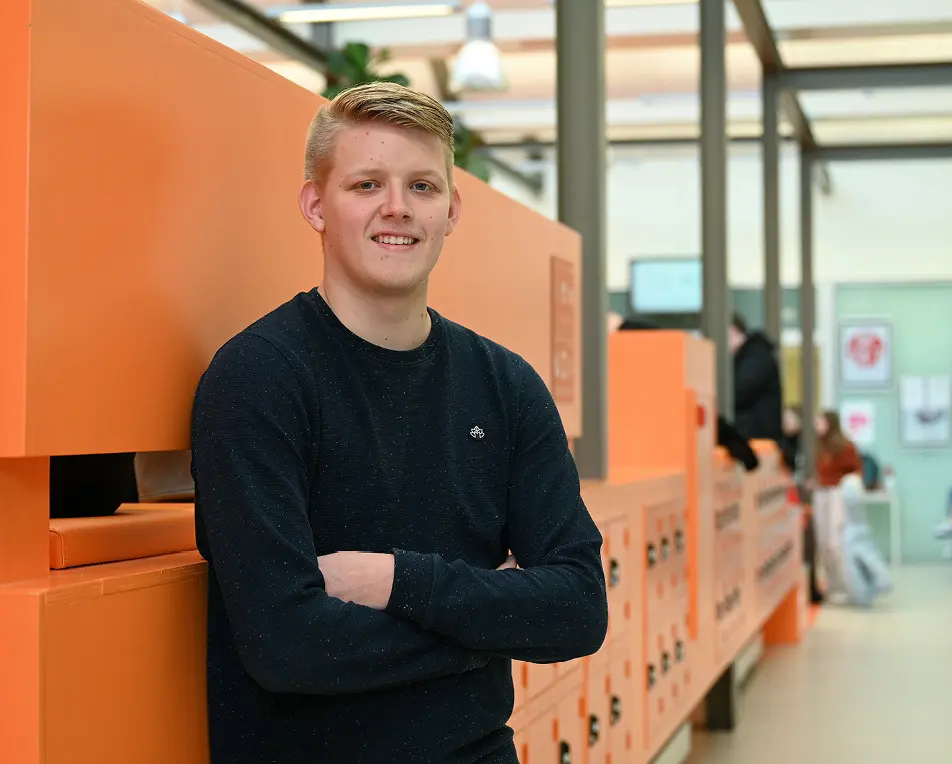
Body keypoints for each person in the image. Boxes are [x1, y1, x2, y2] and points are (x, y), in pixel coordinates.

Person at [189, 82, 609, 764]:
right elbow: (287, 645)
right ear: (315, 205)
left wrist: (394, 582)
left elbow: (578, 607)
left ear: (451, 210)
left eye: (421, 186)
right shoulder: (257, 381)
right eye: (366, 184)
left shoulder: (505, 387)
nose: (397, 208)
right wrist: (492, 621)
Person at [810, 410, 863, 601]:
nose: (817, 425)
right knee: (823, 543)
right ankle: (833, 586)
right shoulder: (819, 446)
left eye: (820, 421)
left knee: (835, 541)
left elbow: (856, 471)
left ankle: (848, 587)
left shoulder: (845, 446)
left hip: (836, 494)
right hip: (821, 492)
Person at [728, 312, 783, 444]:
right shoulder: (752, 356)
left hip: (756, 439)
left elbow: (738, 391)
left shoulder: (755, 356)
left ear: (734, 330)